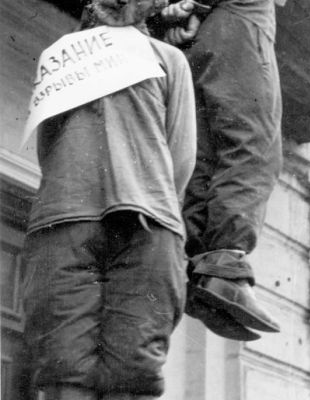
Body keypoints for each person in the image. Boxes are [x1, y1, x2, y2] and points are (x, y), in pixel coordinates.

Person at [22, 1, 197, 398]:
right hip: (71, 221)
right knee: (65, 367)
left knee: (130, 371)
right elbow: (49, 145)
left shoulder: (167, 59)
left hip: (140, 224)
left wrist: (147, 196)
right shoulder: (61, 57)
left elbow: (180, 155)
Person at [154, 0, 282, 340]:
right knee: (253, 146)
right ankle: (223, 268)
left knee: (205, 154)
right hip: (243, 22)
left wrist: (194, 9)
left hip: (208, 33)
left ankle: (203, 269)